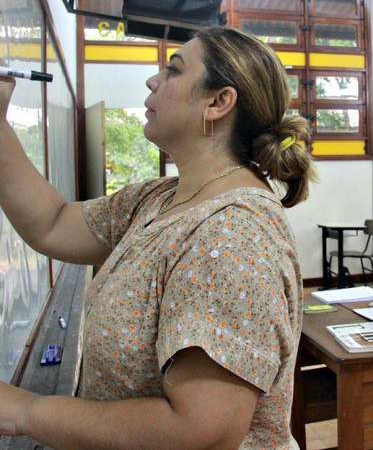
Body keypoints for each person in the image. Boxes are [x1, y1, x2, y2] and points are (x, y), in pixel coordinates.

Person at [0, 26, 316, 449]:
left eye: (173, 71)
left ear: (218, 101)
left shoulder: (234, 232)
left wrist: (24, 411)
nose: (153, 81)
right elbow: (53, 223)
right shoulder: (159, 197)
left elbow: (200, 433)